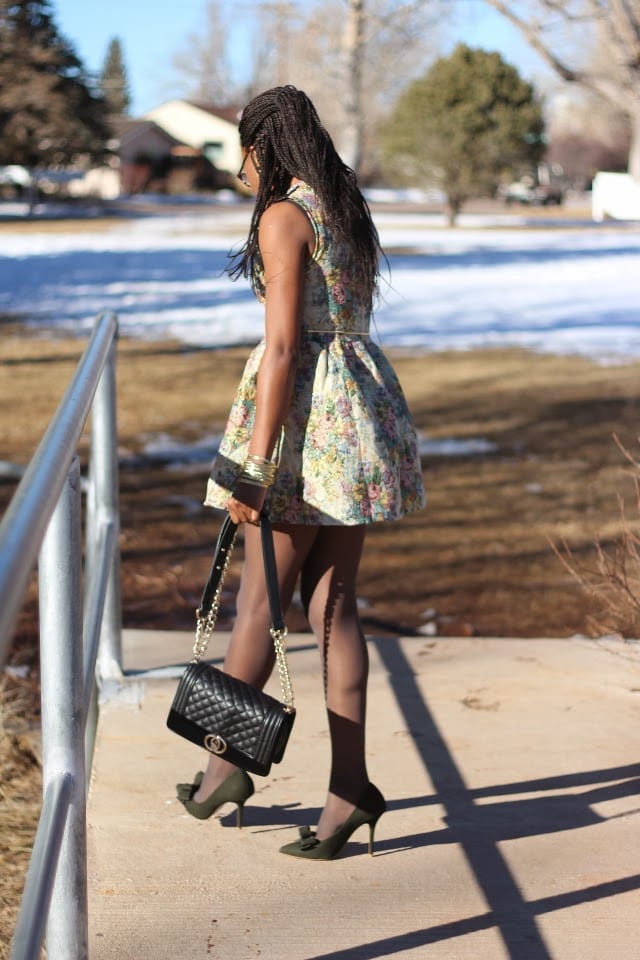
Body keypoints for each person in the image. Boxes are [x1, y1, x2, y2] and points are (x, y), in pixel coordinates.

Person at [176, 85, 425, 860]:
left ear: (264, 144)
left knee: (259, 604)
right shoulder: (343, 208)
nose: (238, 165)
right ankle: (348, 792)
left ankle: (223, 769)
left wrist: (255, 467)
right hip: (356, 415)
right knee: (334, 607)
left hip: (302, 428)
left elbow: (284, 347)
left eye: (241, 148)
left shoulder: (287, 216)